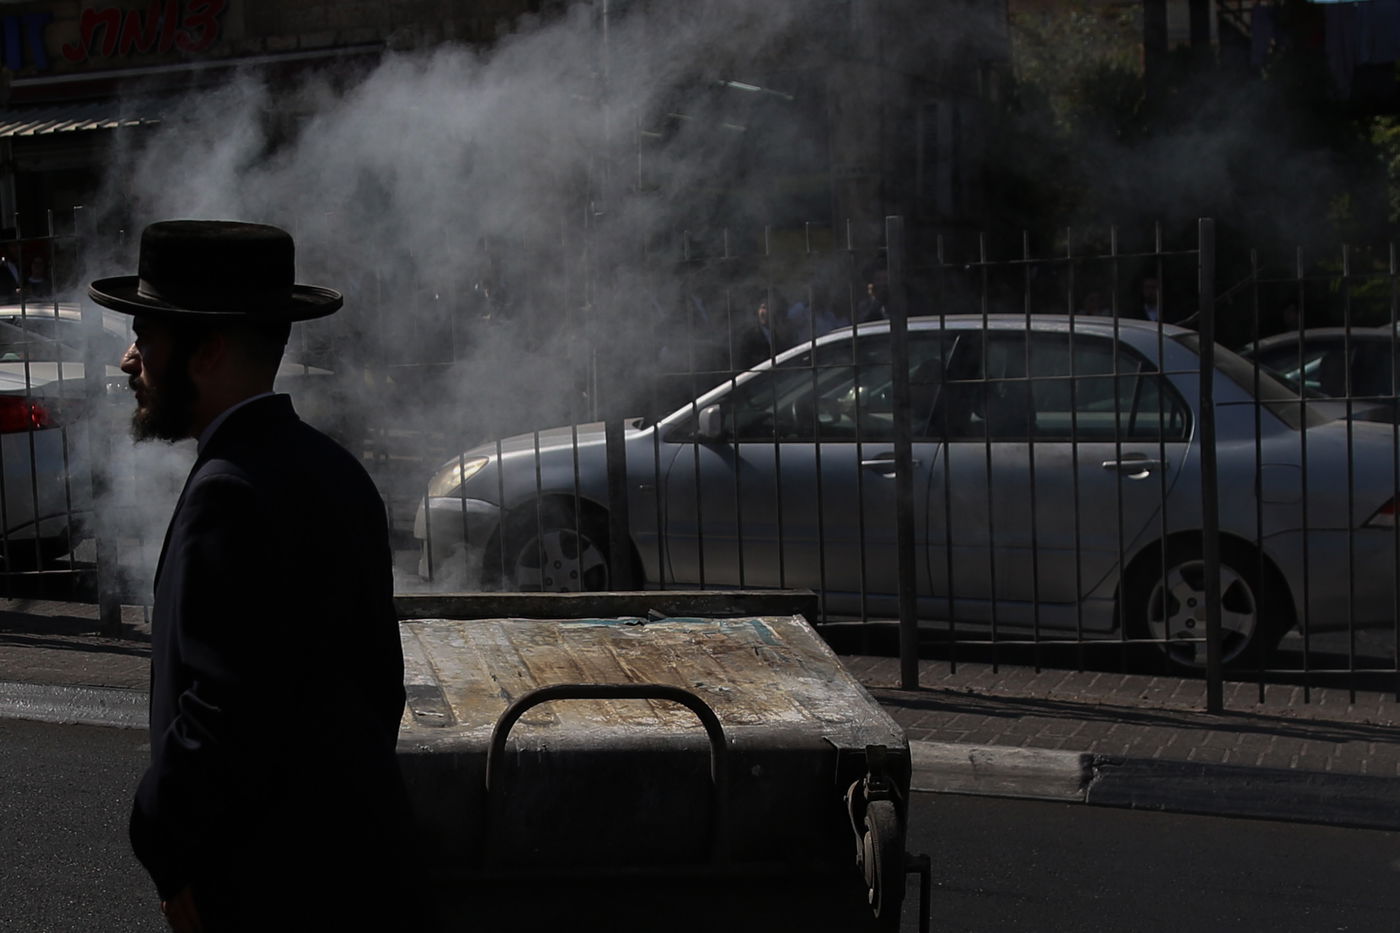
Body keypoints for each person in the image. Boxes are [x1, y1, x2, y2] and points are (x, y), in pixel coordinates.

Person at [90, 220, 411, 932]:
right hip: (348, 876)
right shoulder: (336, 470)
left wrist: (164, 843)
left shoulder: (229, 491)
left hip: (264, 890)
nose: (127, 358)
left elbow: (219, 717)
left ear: (205, 351)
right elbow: (373, 689)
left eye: (146, 335)